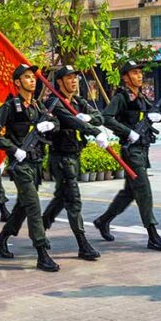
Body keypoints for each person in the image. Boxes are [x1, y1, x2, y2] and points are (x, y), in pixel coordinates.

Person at [0, 64, 61, 272]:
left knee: (23, 206)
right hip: (21, 165)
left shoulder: (37, 106)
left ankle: (1, 239)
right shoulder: (10, 106)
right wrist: (12, 149)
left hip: (36, 164)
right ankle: (42, 252)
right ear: (17, 82)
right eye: (27, 77)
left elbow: (55, 122)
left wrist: (50, 126)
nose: (32, 80)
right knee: (34, 207)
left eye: (33, 77)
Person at [93, 60, 161, 252]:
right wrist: (128, 132)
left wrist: (157, 116)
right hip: (131, 150)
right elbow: (107, 117)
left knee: (130, 192)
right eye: (135, 73)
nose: (139, 76)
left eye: (140, 73)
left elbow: (153, 111)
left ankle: (103, 221)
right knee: (143, 189)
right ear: (125, 78)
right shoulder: (121, 97)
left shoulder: (141, 96)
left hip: (143, 149)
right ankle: (152, 235)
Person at [41, 65, 108, 261]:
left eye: (75, 78)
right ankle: (82, 243)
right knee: (73, 200)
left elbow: (99, 116)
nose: (74, 81)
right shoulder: (55, 103)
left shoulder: (78, 101)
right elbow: (73, 122)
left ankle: (40, 225)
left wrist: (89, 117)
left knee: (62, 197)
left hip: (75, 156)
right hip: (61, 158)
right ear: (59, 82)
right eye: (69, 78)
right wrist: (94, 131)